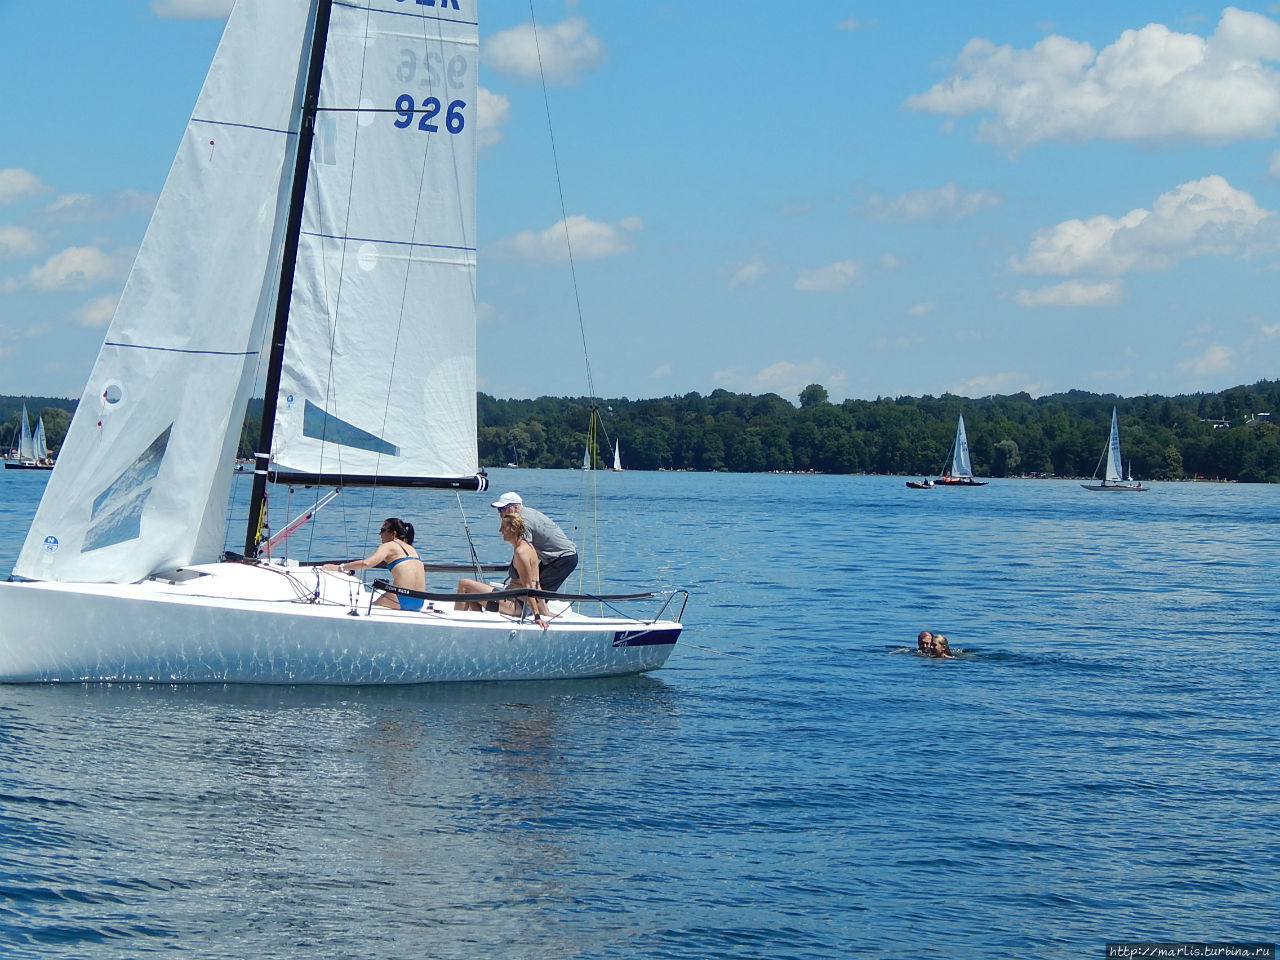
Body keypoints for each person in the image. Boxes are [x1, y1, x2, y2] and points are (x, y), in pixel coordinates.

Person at [454, 513, 551, 628]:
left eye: (503, 527)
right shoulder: (528, 546)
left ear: (513, 529)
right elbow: (536, 583)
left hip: (517, 605)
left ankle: (454, 627)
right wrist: (544, 609)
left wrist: (537, 616)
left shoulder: (521, 553)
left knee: (464, 584)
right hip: (517, 601)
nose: (500, 530)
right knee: (472, 594)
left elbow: (529, 586)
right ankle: (477, 630)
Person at [323, 517, 426, 611]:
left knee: (364, 610)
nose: (379, 534)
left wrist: (341, 567)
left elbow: (367, 563)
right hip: (419, 601)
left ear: (393, 534)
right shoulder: (412, 549)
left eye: (382, 530)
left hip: (399, 598)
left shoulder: (389, 546)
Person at [489, 491, 578, 592]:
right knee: (533, 588)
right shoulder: (529, 512)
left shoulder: (523, 522)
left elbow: (524, 550)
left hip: (562, 559)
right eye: (498, 510)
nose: (501, 514)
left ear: (515, 507)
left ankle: (529, 606)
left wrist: (513, 574)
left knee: (536, 594)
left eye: (502, 509)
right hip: (556, 557)